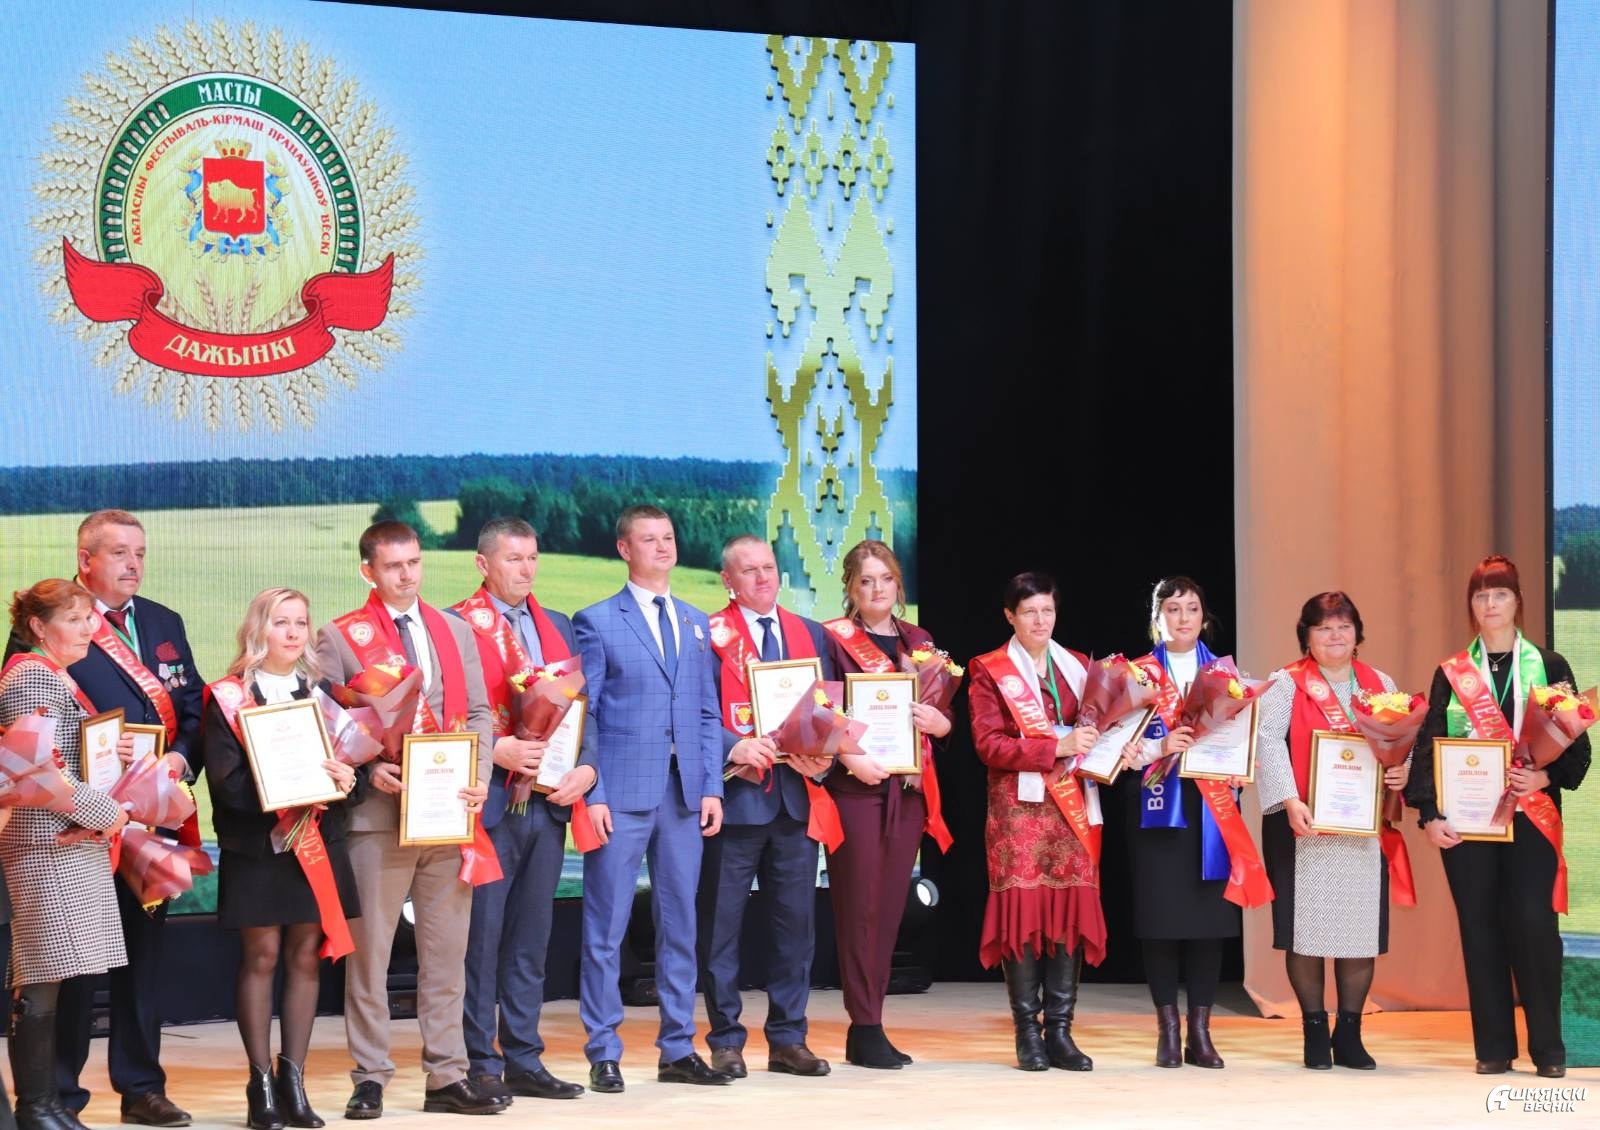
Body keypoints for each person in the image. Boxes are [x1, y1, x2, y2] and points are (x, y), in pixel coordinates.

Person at [314, 521, 501, 1119]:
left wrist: (479, 774)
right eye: (393, 565)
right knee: (369, 957)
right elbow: (325, 723)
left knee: (446, 955)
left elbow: (479, 712)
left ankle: (447, 1075)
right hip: (377, 818)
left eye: (414, 562)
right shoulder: (340, 636)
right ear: (367, 571)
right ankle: (370, 1076)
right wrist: (369, 771)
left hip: (447, 813)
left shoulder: (454, 629)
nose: (407, 575)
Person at [1408, 554, 1590, 1078]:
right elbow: (1428, 744)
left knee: (1534, 924)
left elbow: (1577, 745)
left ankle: (1549, 1050)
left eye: (1501, 594)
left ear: (1518, 602)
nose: (1490, 605)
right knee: (1479, 926)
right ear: (1471, 605)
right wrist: (1428, 814)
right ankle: (1493, 1048)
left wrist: (1544, 779)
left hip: (1530, 816)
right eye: (1481, 596)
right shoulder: (1451, 673)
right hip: (1467, 822)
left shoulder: (1550, 666)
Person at [572, 505, 728, 1094]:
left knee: (681, 924)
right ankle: (603, 1051)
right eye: (649, 539)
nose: (662, 547)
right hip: (619, 792)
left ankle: (678, 1048)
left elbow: (707, 714)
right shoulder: (596, 620)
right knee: (606, 926)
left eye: (668, 537)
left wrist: (711, 786)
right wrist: (594, 792)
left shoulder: (694, 621)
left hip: (684, 794)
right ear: (624, 549)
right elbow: (585, 714)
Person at [60, 511, 203, 1127]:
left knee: (143, 959)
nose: (133, 564)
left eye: (139, 553)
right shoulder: (56, 620)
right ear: (85, 559)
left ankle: (142, 1088)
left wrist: (178, 759)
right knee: (75, 962)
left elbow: (193, 708)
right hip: (82, 828)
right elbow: (27, 720)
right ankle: (58, 1095)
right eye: (119, 552)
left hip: (151, 822)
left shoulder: (164, 621)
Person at [448, 518, 595, 1104]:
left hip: (547, 801)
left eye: (532, 557)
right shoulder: (456, 624)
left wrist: (587, 766)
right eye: (513, 559)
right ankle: (480, 1061)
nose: (526, 569)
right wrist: (495, 750)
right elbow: (444, 713)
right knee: (481, 939)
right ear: (483, 564)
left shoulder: (557, 623)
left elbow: (582, 707)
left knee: (532, 940)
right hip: (487, 802)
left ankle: (524, 1058)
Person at [203, 589, 360, 1129]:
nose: (293, 633)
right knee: (262, 957)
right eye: (280, 622)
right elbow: (226, 784)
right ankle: (261, 1086)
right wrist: (284, 792)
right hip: (258, 846)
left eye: (300, 623)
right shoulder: (228, 697)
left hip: (316, 843)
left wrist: (346, 779)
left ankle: (294, 1083)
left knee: (305, 957)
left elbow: (352, 773)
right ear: (258, 630)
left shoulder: (323, 695)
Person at [699, 535, 835, 1080]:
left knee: (796, 928)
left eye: (769, 568)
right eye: (749, 570)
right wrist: (733, 745)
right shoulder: (707, 633)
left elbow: (826, 708)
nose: (763, 578)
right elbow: (696, 714)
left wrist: (824, 755)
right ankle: (726, 1040)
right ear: (728, 581)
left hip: (796, 800)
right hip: (735, 801)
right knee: (721, 928)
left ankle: (788, 1039)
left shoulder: (810, 632)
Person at [1255, 592, 1409, 1070]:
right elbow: (1267, 740)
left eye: (1343, 626)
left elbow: (1398, 744)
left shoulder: (1381, 685)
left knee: (1358, 930)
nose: (1335, 636)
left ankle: (1351, 1034)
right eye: (1323, 628)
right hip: (1303, 824)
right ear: (1307, 637)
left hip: (1360, 829)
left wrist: (1401, 771)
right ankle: (1314, 1032)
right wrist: (1289, 799)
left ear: (1357, 634)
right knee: (1306, 930)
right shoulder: (1287, 682)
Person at [819, 539, 954, 1069]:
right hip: (856, 791)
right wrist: (850, 757)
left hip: (908, 791)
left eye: (886, 579)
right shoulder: (831, 639)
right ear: (851, 588)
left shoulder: (919, 641)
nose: (878, 589)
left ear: (899, 584)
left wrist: (941, 724)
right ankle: (864, 1023)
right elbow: (821, 710)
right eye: (866, 580)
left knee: (891, 908)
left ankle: (871, 1023)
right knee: (859, 908)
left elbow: (938, 715)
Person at [1, 580, 132, 1128]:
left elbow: (65, 761)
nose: (88, 629)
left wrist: (114, 754)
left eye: (89, 618)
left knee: (53, 976)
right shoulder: (32, 676)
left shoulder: (54, 675)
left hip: (65, 843)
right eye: (74, 619)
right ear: (38, 627)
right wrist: (108, 813)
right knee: (40, 976)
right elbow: (35, 773)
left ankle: (48, 1102)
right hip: (43, 846)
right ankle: (35, 1105)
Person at [967, 572, 1104, 1073]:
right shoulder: (989, 669)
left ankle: (1060, 1032)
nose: (1040, 620)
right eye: (1029, 612)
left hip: (1071, 807)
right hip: (1018, 810)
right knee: (1023, 914)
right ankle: (1027, 1032)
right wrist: (1055, 746)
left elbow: (1101, 726)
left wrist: (1117, 747)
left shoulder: (1079, 666)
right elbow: (988, 745)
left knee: (1069, 908)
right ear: (1010, 617)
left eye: (1047, 610)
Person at [1118, 577, 1241, 1068]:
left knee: (1209, 922)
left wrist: (1242, 766)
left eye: (1192, 608)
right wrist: (1158, 748)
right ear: (1158, 618)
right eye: (1173, 609)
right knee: (1161, 920)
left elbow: (1240, 739)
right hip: (1156, 806)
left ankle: (1201, 1034)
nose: (1184, 617)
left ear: (1204, 617)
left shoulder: (1228, 674)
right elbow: (1116, 752)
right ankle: (1168, 1031)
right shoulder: (1136, 675)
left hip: (1212, 807)